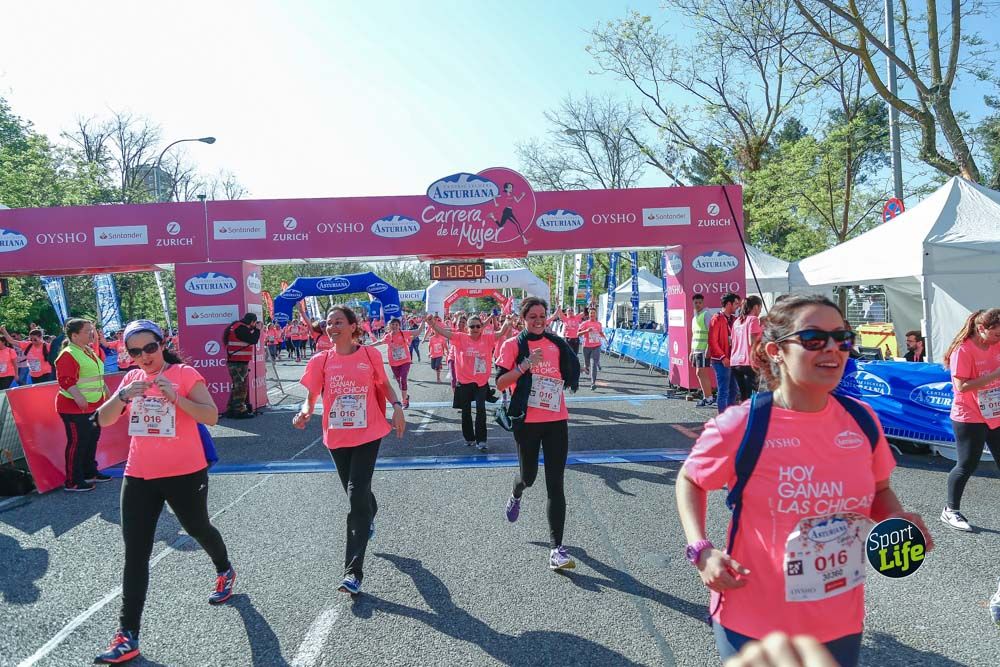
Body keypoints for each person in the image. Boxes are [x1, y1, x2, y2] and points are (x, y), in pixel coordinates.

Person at [676, 294, 932, 666]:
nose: (832, 348)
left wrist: (896, 520)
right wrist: (701, 549)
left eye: (842, 338)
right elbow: (690, 479)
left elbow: (879, 490)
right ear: (776, 351)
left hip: (839, 620)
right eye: (813, 338)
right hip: (754, 619)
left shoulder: (862, 420)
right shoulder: (742, 423)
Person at [93, 319, 234, 664]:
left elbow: (211, 416)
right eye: (135, 351)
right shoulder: (131, 378)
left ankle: (224, 569)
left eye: (150, 348)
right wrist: (122, 396)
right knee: (135, 553)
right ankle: (127, 634)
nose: (144, 356)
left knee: (198, 527)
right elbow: (102, 419)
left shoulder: (184, 374)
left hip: (185, 473)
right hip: (139, 474)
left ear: (163, 344)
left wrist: (176, 397)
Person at [293, 306, 406, 595]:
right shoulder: (320, 360)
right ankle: (369, 512)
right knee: (359, 495)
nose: (332, 327)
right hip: (337, 436)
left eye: (338, 322)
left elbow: (384, 384)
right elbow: (311, 398)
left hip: (369, 433)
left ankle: (352, 573)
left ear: (353, 326)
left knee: (356, 496)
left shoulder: (369, 355)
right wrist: (304, 412)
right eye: (329, 323)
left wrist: (396, 407)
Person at [496, 297, 581, 570]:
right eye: (532, 316)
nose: (538, 320)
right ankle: (516, 492)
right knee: (529, 477)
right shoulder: (512, 345)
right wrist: (525, 365)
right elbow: (500, 383)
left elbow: (568, 370)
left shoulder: (557, 344)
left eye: (542, 315)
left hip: (556, 419)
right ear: (523, 319)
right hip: (527, 422)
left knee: (556, 484)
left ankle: (557, 550)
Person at [940, 308, 1000, 531]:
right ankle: (950, 511)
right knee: (967, 464)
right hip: (969, 415)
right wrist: (996, 375)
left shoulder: (996, 344)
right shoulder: (963, 350)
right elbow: (961, 386)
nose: (999, 339)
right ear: (981, 328)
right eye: (996, 334)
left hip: (994, 412)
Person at [427, 313, 506, 452]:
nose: (475, 329)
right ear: (467, 328)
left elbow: (501, 333)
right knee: (466, 412)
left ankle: (481, 440)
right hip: (464, 382)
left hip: (481, 383)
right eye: (472, 326)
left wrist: (508, 322)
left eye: (478, 326)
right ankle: (469, 438)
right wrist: (432, 324)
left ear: (481, 327)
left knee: (481, 411)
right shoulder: (460, 337)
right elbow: (444, 333)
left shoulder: (487, 338)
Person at [54, 318, 111, 492]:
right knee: (77, 443)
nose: (91, 334)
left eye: (91, 330)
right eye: (87, 331)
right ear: (75, 335)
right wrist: (78, 397)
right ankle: (72, 480)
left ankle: (89, 472)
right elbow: (65, 380)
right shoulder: (68, 353)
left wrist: (105, 390)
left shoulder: (87, 350)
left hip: (94, 404)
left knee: (91, 440)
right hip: (74, 407)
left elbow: (95, 375)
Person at [371, 317, 424, 409]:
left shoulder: (404, 333)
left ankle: (404, 401)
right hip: (394, 363)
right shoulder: (388, 336)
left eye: (396, 324)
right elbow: (379, 342)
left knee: (403, 379)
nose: (394, 326)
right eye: (392, 324)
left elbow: (417, 332)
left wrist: (423, 321)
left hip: (405, 360)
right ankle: (406, 396)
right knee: (399, 382)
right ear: (389, 326)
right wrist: (367, 346)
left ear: (399, 326)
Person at [222, 313, 262, 419]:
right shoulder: (241, 328)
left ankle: (231, 409)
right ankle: (239, 410)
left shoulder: (237, 326)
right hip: (238, 362)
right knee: (241, 387)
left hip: (236, 361)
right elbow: (253, 339)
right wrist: (257, 330)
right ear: (252, 322)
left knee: (237, 386)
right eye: (255, 323)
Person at [709, 293, 741, 413]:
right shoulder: (716, 319)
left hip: (732, 360)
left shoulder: (734, 319)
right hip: (721, 361)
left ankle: (729, 416)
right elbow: (712, 341)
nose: (738, 306)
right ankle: (723, 417)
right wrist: (723, 357)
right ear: (728, 304)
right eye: (736, 304)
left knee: (734, 390)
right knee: (724, 391)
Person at [730, 296, 763, 402]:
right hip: (749, 362)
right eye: (760, 308)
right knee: (751, 397)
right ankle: (750, 412)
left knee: (744, 396)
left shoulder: (737, 321)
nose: (760, 311)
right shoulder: (753, 319)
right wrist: (763, 328)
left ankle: (743, 412)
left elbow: (732, 341)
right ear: (756, 307)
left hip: (735, 362)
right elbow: (752, 342)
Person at [689, 294, 716, 407]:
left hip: (703, 349)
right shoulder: (695, 317)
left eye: (700, 302)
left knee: (702, 373)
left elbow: (711, 332)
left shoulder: (706, 314)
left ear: (703, 303)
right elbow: (694, 335)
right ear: (693, 303)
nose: (698, 304)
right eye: (696, 302)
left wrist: (709, 348)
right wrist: (691, 351)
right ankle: (707, 397)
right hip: (696, 350)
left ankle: (709, 398)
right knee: (699, 373)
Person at [577, 308, 607, 391]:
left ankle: (593, 383)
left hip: (596, 346)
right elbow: (578, 334)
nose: (592, 314)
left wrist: (605, 338)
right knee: (587, 364)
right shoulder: (584, 323)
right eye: (591, 313)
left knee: (594, 364)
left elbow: (600, 332)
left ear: (596, 314)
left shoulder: (599, 324)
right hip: (586, 346)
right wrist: (587, 331)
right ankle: (586, 367)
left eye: (594, 313)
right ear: (589, 314)